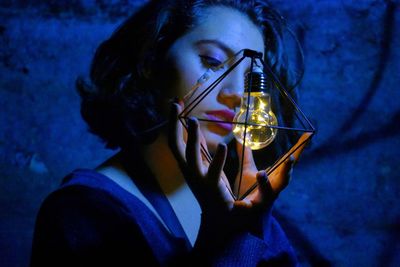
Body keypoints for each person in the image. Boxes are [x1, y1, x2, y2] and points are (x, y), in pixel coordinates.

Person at [30, 0, 309, 266]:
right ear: (151, 60)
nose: (236, 94)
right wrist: (228, 241)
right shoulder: (83, 212)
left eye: (251, 79)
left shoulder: (246, 203)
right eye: (212, 62)